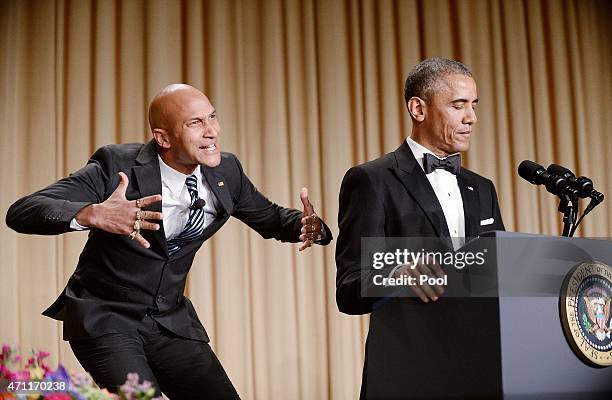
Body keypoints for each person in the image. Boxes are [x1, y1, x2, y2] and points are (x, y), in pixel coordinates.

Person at [6, 84, 332, 399]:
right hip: (107, 318)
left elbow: (271, 217)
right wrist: (93, 214)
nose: (212, 131)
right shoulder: (118, 166)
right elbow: (23, 211)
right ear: (163, 137)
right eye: (195, 123)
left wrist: (308, 226)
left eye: (212, 118)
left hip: (170, 321)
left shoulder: (225, 171)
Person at [335, 58, 505, 399]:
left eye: (473, 105)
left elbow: (497, 277)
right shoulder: (372, 180)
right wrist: (397, 273)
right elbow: (349, 288)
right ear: (418, 108)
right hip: (409, 370)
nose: (471, 117)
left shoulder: (482, 187)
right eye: (458, 106)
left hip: (479, 367)